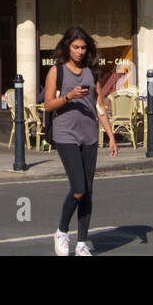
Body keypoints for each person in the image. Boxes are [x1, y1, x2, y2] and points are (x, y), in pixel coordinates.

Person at [45, 27, 117, 257]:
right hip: (65, 134)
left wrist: (111, 136)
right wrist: (67, 97)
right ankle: (61, 231)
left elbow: (99, 107)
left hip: (90, 135)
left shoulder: (91, 73)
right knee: (78, 187)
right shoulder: (57, 72)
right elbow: (48, 105)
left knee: (88, 191)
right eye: (75, 47)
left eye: (83, 48)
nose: (79, 51)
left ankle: (83, 243)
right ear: (67, 47)